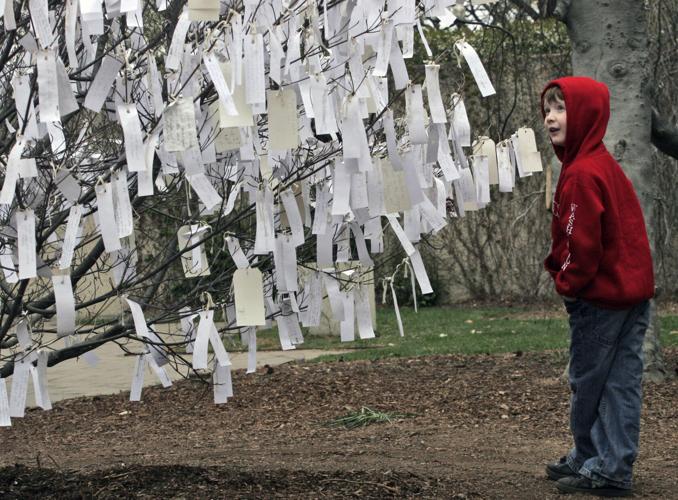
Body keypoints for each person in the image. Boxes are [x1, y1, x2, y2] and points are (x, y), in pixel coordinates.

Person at [540, 76, 655, 497]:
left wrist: (566, 282)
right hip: (632, 294)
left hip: (601, 299)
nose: (550, 116)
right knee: (621, 381)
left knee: (592, 383)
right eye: (548, 108)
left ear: (586, 114)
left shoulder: (582, 174)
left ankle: (602, 465)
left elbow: (580, 245)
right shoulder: (600, 163)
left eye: (561, 107)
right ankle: (604, 460)